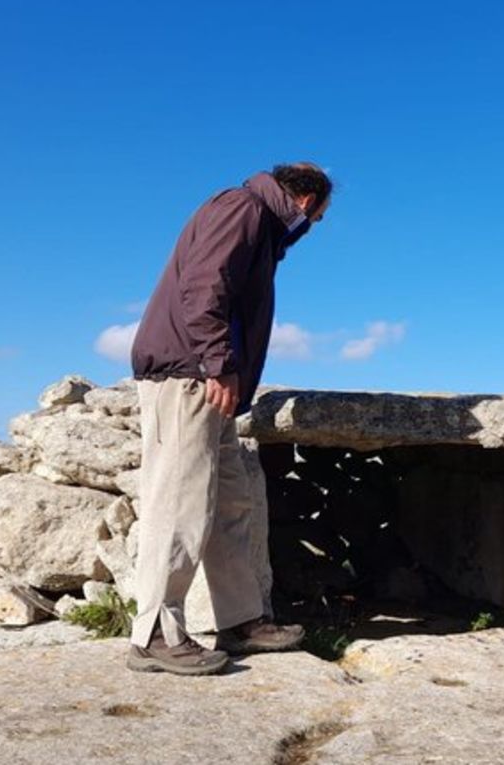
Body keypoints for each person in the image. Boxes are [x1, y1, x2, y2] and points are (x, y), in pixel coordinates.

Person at [125, 163, 332, 676]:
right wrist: (218, 362)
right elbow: (203, 287)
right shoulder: (242, 209)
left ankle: (240, 621)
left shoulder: (257, 223)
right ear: (306, 202)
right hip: (189, 376)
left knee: (229, 501)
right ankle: (154, 633)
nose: (312, 230)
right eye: (319, 219)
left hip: (211, 382)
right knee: (180, 501)